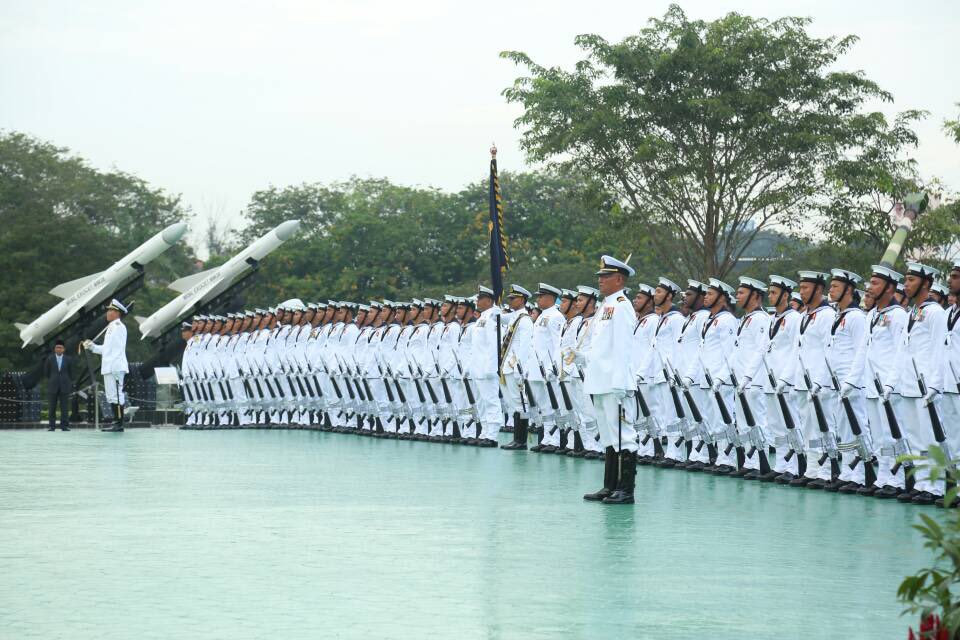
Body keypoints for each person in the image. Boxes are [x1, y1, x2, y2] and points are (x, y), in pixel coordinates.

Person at [583, 255, 639, 505]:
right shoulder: (605, 306)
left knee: (622, 435)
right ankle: (610, 486)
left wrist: (620, 383)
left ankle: (626, 489)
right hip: (599, 380)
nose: (600, 280)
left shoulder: (622, 306)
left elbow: (624, 348)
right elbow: (600, 345)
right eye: (600, 276)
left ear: (619, 279)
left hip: (614, 383)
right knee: (608, 435)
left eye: (605, 276)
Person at [83, 299, 129, 432]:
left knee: (117, 395)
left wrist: (114, 368)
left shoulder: (119, 327)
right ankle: (116, 422)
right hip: (109, 367)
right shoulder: (111, 327)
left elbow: (118, 349)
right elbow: (107, 349)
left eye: (110, 310)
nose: (108, 313)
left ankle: (119, 424)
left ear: (116, 313)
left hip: (115, 367)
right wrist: (92, 347)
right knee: (111, 396)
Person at [43, 339, 74, 431]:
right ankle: (51, 426)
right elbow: (47, 373)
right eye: (57, 348)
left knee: (64, 407)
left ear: (64, 349)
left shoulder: (68, 359)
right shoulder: (50, 359)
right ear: (54, 349)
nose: (58, 349)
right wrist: (53, 379)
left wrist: (68, 382)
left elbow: (71, 373)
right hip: (53, 386)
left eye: (60, 348)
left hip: (65, 386)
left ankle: (64, 426)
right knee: (52, 407)